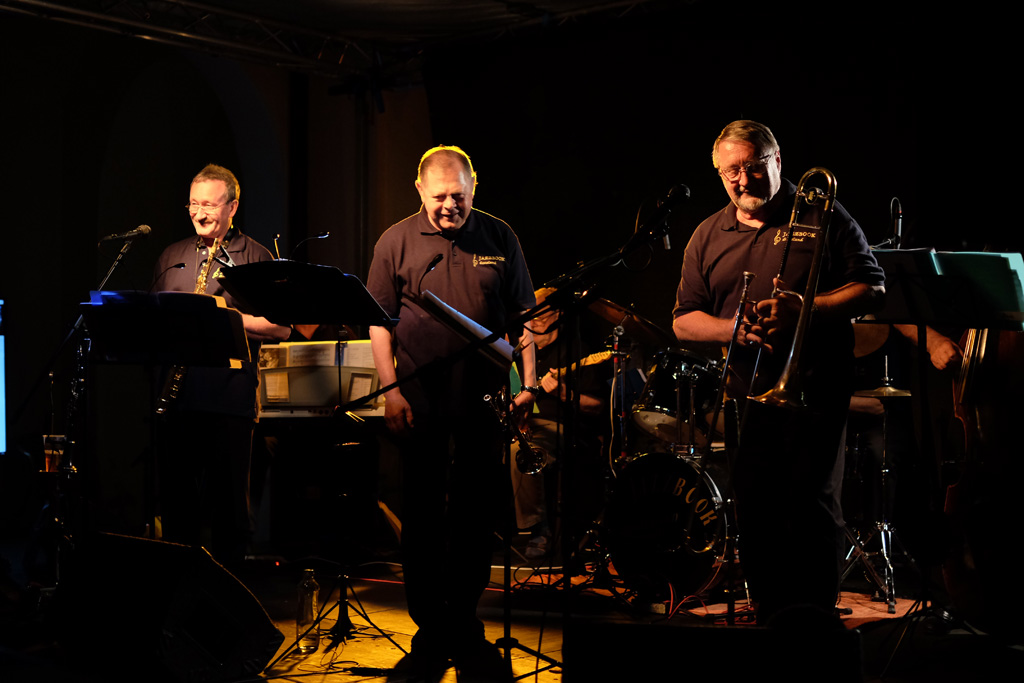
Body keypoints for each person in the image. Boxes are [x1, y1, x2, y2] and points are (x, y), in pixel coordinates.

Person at [672, 120, 885, 624]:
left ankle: (813, 621)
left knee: (812, 502)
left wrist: (803, 310)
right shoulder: (707, 233)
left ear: (777, 161)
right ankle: (770, 616)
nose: (742, 180)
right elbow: (682, 320)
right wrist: (732, 329)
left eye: (753, 167)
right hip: (746, 392)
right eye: (731, 171)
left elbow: (872, 287)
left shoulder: (822, 214)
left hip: (815, 386)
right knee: (755, 506)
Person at [366, 145, 537, 670]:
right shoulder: (395, 241)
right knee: (421, 509)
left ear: (473, 187)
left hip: (485, 398)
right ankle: (428, 619)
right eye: (439, 196)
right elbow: (379, 322)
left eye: (459, 196)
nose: (449, 206)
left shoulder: (499, 235)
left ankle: (463, 614)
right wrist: (391, 391)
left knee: (475, 510)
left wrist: (529, 384)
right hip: (418, 398)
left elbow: (525, 317)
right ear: (419, 190)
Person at [153, 164, 289, 569]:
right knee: (177, 510)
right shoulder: (172, 255)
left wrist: (227, 318)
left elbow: (281, 327)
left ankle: (227, 594)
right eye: (193, 204)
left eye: (209, 205)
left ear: (232, 207)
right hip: (178, 399)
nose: (199, 213)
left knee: (230, 512)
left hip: (229, 401)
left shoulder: (256, 256)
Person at [514, 287, 610, 559]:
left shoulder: (578, 352)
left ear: (557, 315)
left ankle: (539, 529)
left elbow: (598, 406)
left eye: (539, 314)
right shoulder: (520, 353)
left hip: (558, 427)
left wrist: (563, 393)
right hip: (519, 425)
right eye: (529, 315)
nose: (533, 321)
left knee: (521, 451)